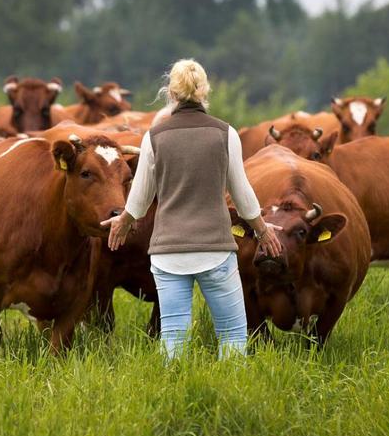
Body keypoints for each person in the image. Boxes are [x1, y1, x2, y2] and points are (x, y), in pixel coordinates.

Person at [101, 59, 282, 358]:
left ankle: (175, 396)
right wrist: (262, 231)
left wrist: (124, 220)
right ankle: (230, 393)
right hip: (216, 250)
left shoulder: (154, 138)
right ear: (204, 92)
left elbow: (141, 195)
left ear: (170, 93)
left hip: (168, 253)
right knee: (233, 334)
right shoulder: (226, 134)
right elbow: (242, 194)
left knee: (173, 336)